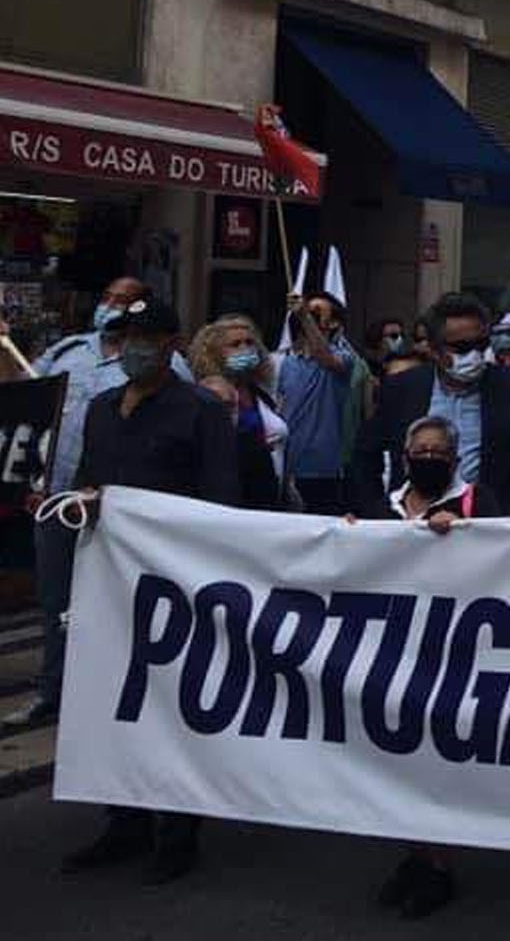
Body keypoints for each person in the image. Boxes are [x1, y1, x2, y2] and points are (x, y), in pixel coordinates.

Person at [59, 298, 238, 885]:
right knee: (113, 701)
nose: (131, 346)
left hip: (173, 583)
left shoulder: (199, 411)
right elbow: (91, 477)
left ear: (169, 344)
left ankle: (178, 830)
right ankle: (124, 820)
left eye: (144, 336)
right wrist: (79, 502)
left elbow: (219, 502)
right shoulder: (104, 408)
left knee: (170, 706)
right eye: (124, 336)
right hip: (109, 581)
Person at [4, 276, 189, 727]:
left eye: (122, 302)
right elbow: (24, 394)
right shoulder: (69, 352)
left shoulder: (171, 368)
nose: (109, 307)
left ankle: (115, 702)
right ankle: (52, 691)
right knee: (58, 604)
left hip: (122, 513)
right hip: (59, 500)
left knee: (118, 608)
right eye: (106, 298)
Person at [355, 414, 503, 919]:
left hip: (451, 654)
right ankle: (413, 856)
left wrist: (466, 535)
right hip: (392, 651)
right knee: (398, 762)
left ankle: (439, 866)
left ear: (455, 458)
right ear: (404, 455)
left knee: (437, 766)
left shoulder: (475, 504)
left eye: (440, 452)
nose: (430, 458)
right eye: (421, 450)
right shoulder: (383, 509)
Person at [354, 292, 510, 517]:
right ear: (434, 350)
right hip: (415, 528)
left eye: (481, 344)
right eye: (461, 347)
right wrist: (377, 512)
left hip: (490, 526)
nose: (474, 354)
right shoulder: (402, 389)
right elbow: (365, 453)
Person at [276, 290, 371, 516]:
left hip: (321, 470)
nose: (307, 315)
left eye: (316, 313)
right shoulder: (285, 362)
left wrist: (305, 318)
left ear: (334, 323)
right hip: (285, 467)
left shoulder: (345, 358)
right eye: (305, 311)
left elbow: (327, 359)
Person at [189, 314, 292, 508]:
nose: (245, 349)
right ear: (214, 353)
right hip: (231, 499)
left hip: (269, 497)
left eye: (249, 342)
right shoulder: (210, 393)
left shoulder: (262, 394)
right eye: (235, 344)